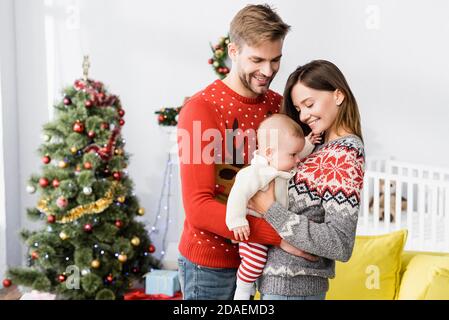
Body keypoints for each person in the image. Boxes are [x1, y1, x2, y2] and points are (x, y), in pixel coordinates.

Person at [176, 4, 316, 300]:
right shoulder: (200, 110)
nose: (268, 71)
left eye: (275, 60)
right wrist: (281, 236)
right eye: (257, 60)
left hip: (265, 263)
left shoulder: (279, 106)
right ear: (234, 51)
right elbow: (199, 208)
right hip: (211, 266)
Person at [248, 60, 366, 300]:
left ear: (339, 95)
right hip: (278, 284)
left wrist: (270, 209)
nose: (303, 115)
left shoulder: (345, 153)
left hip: (294, 287)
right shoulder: (317, 147)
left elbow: (339, 244)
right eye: (298, 108)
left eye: (309, 104)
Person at [226, 114, 321, 300]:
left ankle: (250, 284)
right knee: (255, 260)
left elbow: (296, 151)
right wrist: (236, 221)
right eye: (293, 155)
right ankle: (242, 290)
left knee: (259, 262)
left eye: (297, 154)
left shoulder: (278, 162)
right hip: (253, 230)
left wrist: (308, 143)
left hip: (271, 225)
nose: (298, 160)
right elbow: (237, 194)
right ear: (269, 153)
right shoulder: (255, 173)